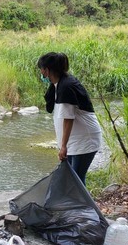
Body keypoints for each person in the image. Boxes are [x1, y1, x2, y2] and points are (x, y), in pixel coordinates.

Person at [37, 52, 102, 185]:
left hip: (84, 140)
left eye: (41, 69)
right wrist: (63, 145)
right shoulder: (58, 84)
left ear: (47, 71)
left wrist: (63, 146)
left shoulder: (66, 87)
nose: (41, 73)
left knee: (76, 181)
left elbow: (68, 119)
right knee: (73, 179)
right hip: (75, 141)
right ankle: (81, 205)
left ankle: (86, 206)